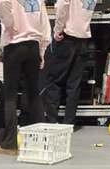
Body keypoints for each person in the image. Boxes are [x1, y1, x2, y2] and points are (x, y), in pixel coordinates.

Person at [0, 0, 51, 156]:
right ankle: (41, 141)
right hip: (33, 44)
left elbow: (0, 4)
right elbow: (44, 22)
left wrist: (10, 25)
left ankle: (9, 144)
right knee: (33, 94)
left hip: (14, 44)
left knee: (10, 96)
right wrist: (42, 49)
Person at [41, 0, 95, 129]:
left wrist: (58, 29)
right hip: (83, 38)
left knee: (54, 81)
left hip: (66, 37)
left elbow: (61, 6)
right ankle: (69, 123)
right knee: (74, 84)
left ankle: (52, 122)